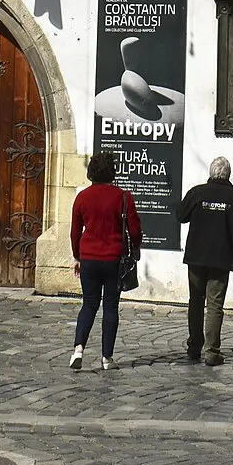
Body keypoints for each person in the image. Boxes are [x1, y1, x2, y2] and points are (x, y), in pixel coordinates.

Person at [179, 156, 233, 366]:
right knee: (214, 305)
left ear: (211, 173)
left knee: (196, 301)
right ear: (228, 175)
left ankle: (194, 346)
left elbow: (180, 214)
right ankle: (212, 351)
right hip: (222, 258)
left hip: (196, 257)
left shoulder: (197, 193)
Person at [68, 150, 142, 372]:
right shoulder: (123, 197)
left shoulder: (82, 197)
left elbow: (75, 232)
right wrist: (135, 248)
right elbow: (135, 230)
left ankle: (78, 350)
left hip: (89, 258)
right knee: (110, 306)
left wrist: (77, 256)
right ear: (113, 172)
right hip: (113, 259)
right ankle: (106, 358)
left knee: (89, 304)